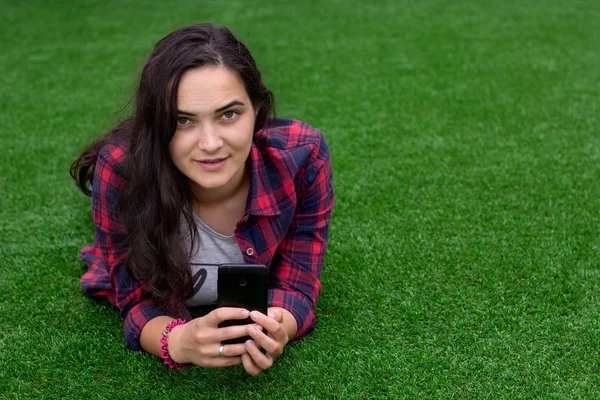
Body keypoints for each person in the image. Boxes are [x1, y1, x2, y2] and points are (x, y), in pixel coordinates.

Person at [70, 23, 334, 375]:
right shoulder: (121, 171)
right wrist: (176, 341)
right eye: (182, 121)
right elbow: (135, 300)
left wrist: (278, 327)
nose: (210, 144)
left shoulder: (303, 156)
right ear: (156, 124)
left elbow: (297, 283)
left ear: (257, 110)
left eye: (229, 114)